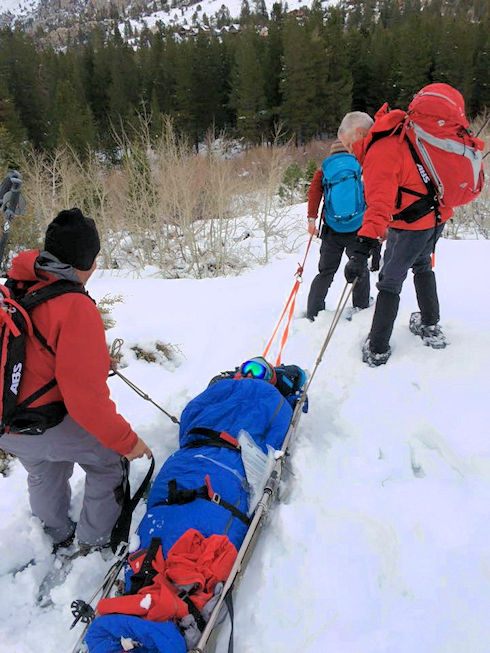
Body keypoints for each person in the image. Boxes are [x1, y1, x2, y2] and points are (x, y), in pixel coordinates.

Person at [0, 208, 152, 554]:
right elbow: (86, 403)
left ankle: (52, 533)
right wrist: (127, 443)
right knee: (108, 460)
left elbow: (35, 350)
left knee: (44, 468)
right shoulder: (73, 305)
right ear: (91, 260)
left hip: (8, 423)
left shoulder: (17, 285)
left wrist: (92, 360)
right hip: (42, 420)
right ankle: (93, 543)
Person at [339, 107, 453, 366]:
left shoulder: (380, 151)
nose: (350, 152)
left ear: (359, 132)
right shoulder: (399, 133)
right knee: (422, 264)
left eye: (348, 146)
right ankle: (429, 323)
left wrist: (360, 250)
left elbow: (378, 205)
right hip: (436, 216)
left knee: (389, 281)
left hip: (413, 225)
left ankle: (377, 348)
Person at [305, 139, 379, 322]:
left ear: (332, 154)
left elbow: (314, 194)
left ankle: (314, 311)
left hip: (332, 229)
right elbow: (371, 193)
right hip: (358, 227)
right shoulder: (358, 167)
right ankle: (361, 306)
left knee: (326, 271)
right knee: (359, 265)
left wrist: (311, 220)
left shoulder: (325, 170)